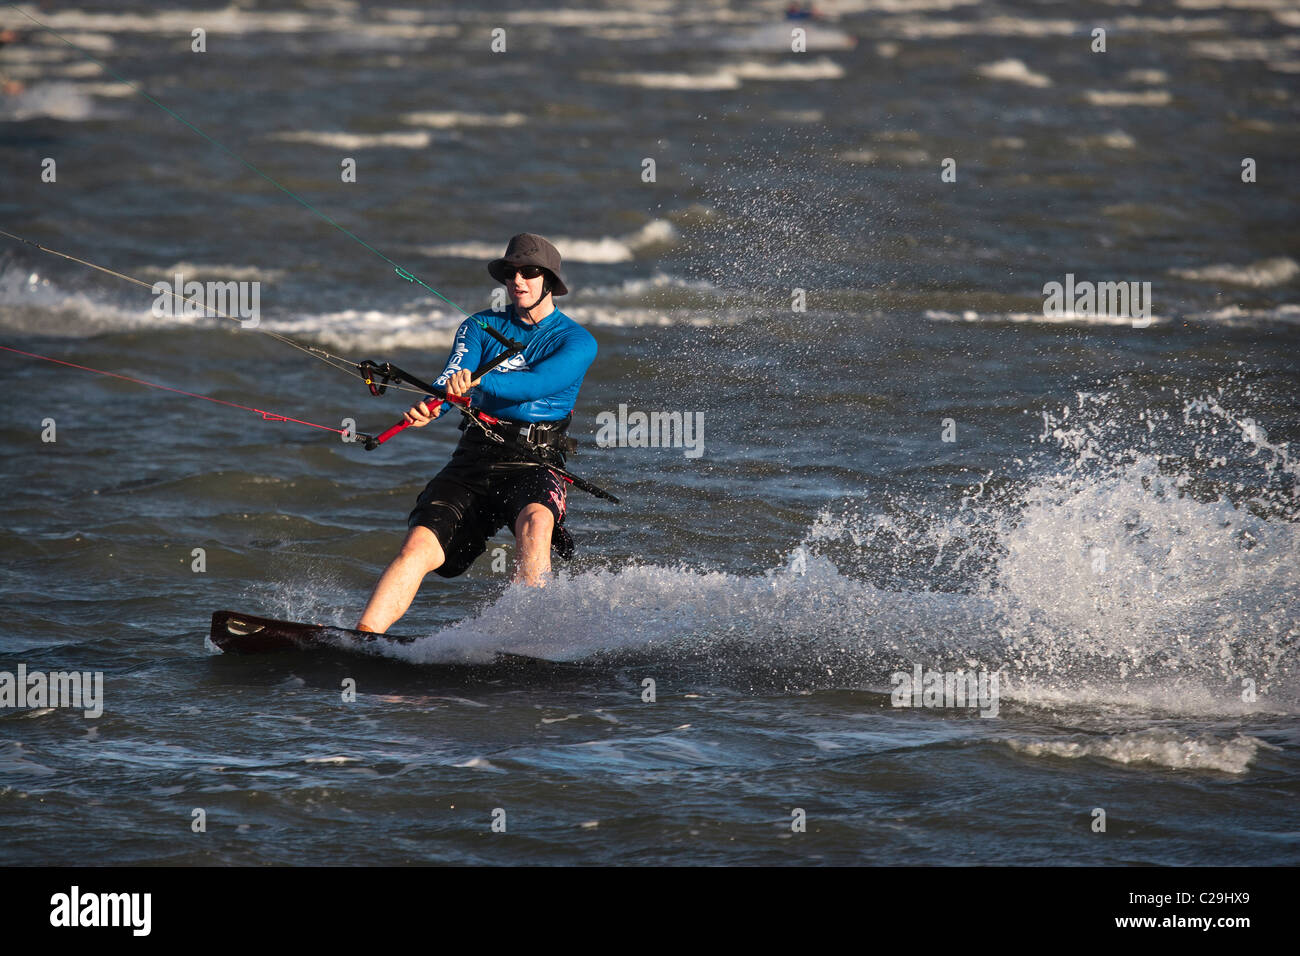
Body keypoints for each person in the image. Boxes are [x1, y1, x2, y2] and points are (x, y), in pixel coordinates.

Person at [357, 233, 597, 633]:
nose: (518, 280)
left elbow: (535, 385)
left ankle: (528, 638)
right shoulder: (479, 326)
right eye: (511, 272)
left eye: (530, 272)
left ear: (550, 281)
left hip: (534, 461)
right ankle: (362, 641)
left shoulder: (576, 341)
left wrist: (475, 388)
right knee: (418, 546)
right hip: (475, 457)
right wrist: (433, 405)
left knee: (537, 523)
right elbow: (453, 374)